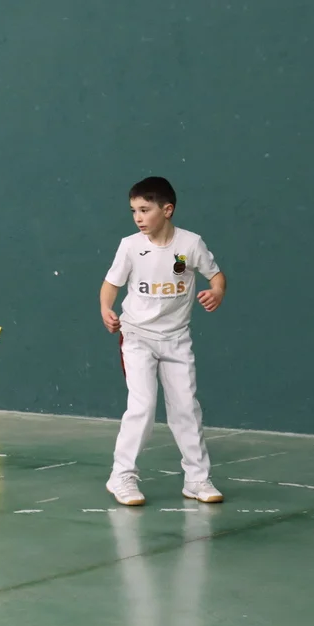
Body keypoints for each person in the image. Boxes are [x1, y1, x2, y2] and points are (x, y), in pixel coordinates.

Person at [99, 177, 227, 506]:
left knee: (186, 409)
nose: (138, 217)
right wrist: (106, 309)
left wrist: (217, 292)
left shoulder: (190, 244)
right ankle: (121, 476)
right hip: (137, 337)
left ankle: (197, 479)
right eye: (133, 211)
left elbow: (215, 275)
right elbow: (111, 284)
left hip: (176, 339)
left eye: (145, 210)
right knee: (142, 406)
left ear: (167, 210)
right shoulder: (130, 246)